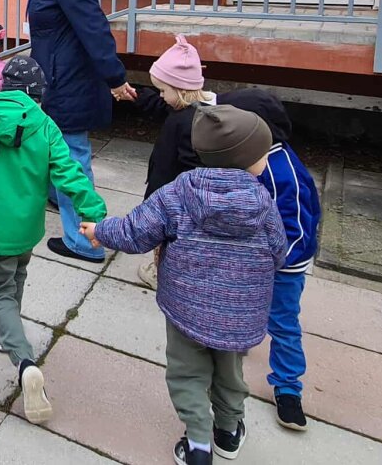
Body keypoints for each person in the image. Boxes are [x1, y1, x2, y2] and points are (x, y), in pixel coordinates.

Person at [130, 36, 320, 432]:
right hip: (249, 265)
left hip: (283, 268)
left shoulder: (282, 173)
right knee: (237, 317)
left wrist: (271, 263)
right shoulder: (240, 164)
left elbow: (296, 229)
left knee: (283, 323)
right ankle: (233, 363)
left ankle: (288, 388)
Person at [81, 106, 286, 465]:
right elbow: (278, 251)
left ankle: (198, 444)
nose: (266, 161)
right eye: (262, 154)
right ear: (243, 159)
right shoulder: (263, 202)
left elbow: (135, 231)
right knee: (230, 372)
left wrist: (101, 230)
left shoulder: (178, 192)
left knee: (187, 373)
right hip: (238, 314)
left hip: (186, 308)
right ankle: (228, 432)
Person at [0, 56, 106, 423]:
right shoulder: (46, 124)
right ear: (38, 94)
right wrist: (94, 214)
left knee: (0, 292)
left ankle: (23, 361)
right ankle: (7, 333)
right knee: (18, 274)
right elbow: (70, 174)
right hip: (27, 226)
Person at [24, 0, 136, 264]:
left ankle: (86, 241)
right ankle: (58, 196)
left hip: (68, 81)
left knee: (72, 158)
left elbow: (94, 27)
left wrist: (115, 77)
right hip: (58, 75)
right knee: (54, 148)